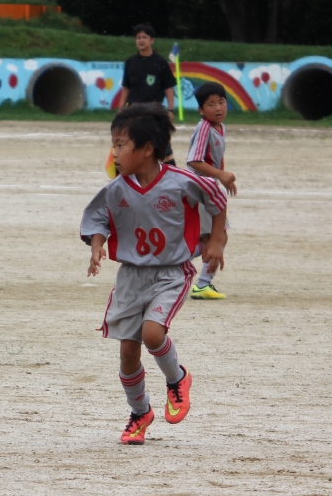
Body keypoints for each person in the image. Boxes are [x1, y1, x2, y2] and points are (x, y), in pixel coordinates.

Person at [80, 104, 227, 445]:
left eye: (120, 145)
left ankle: (177, 379)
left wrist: (216, 240)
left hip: (171, 273)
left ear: (147, 149)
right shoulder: (116, 189)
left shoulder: (181, 182)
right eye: (113, 145)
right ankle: (140, 412)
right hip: (131, 277)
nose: (114, 153)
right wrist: (97, 245)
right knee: (127, 353)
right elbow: (98, 217)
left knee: (152, 333)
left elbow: (216, 197)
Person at [185, 81, 237, 300]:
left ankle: (174, 266)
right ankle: (197, 281)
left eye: (221, 102)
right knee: (217, 237)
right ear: (201, 110)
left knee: (216, 237)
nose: (218, 108)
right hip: (200, 189)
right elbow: (194, 161)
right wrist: (220, 175)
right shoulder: (205, 128)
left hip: (209, 188)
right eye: (211, 104)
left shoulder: (220, 128)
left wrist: (222, 179)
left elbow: (213, 160)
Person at [107, 23, 178, 174]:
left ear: (152, 40)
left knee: (164, 150)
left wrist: (170, 110)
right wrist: (121, 109)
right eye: (138, 37)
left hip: (153, 113)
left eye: (145, 37)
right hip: (133, 113)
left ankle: (174, 179)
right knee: (127, 148)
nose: (141, 40)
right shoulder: (131, 62)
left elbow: (169, 88)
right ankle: (121, 180)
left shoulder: (160, 62)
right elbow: (126, 87)